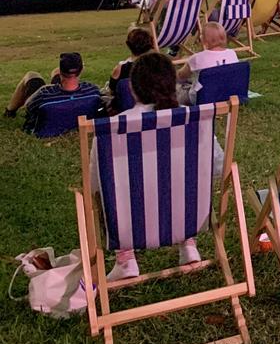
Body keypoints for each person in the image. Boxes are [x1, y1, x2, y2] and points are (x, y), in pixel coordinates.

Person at [100, 52, 220, 281]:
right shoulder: (194, 121)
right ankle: (189, 245)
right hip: (188, 216)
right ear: (173, 83)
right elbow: (217, 165)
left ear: (133, 89)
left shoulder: (114, 128)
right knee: (180, 179)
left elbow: (98, 183)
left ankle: (126, 260)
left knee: (119, 189)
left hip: (130, 224)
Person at [6, 52, 104, 132]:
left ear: (62, 71)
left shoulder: (43, 95)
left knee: (31, 75)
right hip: (74, 103)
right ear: (81, 71)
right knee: (54, 73)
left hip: (52, 102)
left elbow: (28, 107)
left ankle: (9, 111)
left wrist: (45, 89)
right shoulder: (93, 91)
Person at [176, 22, 239, 101]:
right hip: (228, 95)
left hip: (203, 98)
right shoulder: (232, 53)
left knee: (176, 89)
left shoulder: (197, 58)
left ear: (203, 40)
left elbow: (181, 76)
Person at [106, 28, 156, 114]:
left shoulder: (120, 68)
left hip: (125, 112)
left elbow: (112, 92)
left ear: (128, 44)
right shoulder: (158, 66)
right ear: (150, 44)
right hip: (153, 110)